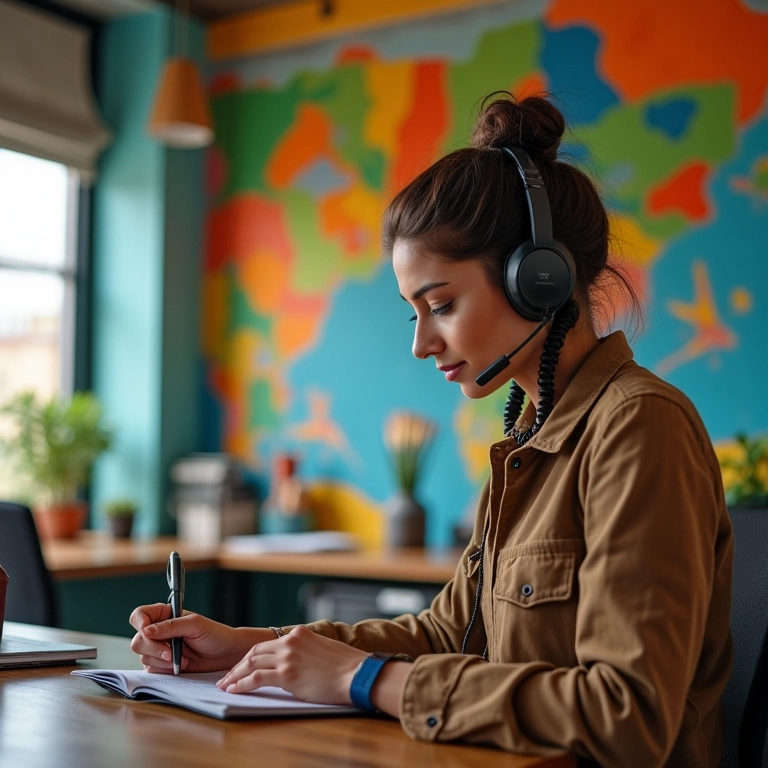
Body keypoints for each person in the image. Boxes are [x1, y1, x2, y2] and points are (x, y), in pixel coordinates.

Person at [129, 93, 733, 767]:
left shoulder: (639, 427)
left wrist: (363, 678)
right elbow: (449, 633)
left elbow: (628, 715)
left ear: (539, 280)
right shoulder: (530, 436)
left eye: (441, 304)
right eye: (413, 313)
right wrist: (254, 645)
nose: (421, 344)